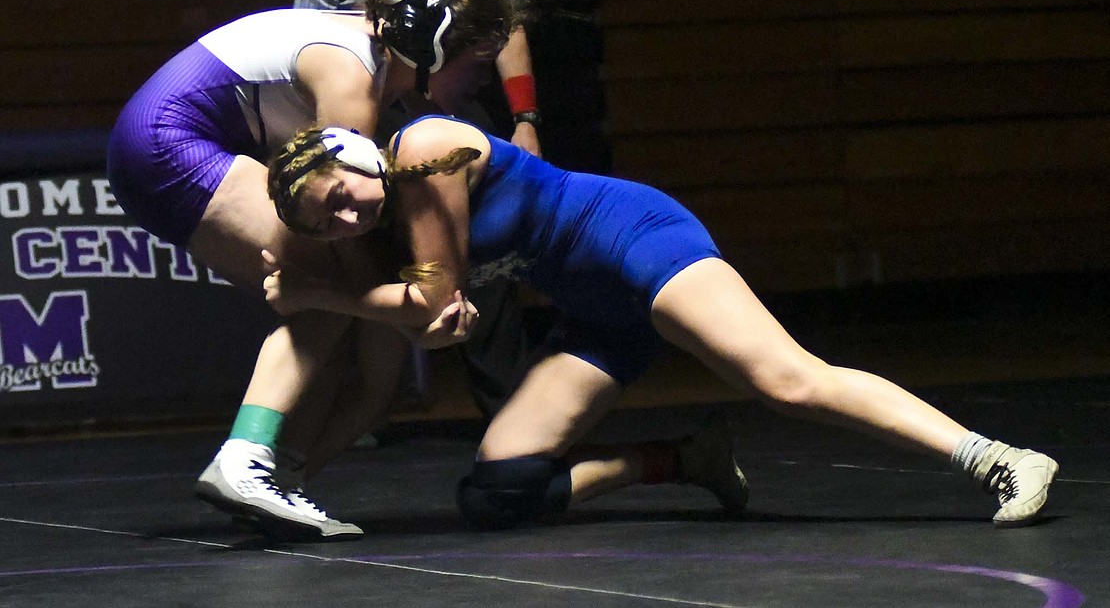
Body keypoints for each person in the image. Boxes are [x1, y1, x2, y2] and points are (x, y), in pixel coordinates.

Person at [261, 116, 1060, 529]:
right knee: (498, 489)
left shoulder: (421, 148)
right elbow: (442, 329)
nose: (343, 219)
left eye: (335, 195)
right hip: (594, 307)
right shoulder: (389, 235)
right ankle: (685, 459)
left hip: (635, 240)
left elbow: (431, 314)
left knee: (784, 378)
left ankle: (997, 458)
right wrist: (387, 302)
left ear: (355, 154)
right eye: (324, 224)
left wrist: (314, 294)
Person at [106, 0, 515, 540]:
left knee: (358, 326)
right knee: (324, 298)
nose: (482, 81)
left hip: (170, 142)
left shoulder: (372, 63)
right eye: (477, 64)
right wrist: (419, 312)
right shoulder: (352, 80)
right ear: (438, 50)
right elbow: (348, 229)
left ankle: (284, 479)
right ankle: (246, 459)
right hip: (169, 142)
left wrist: (404, 319)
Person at [296, 0, 546, 423]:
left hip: (465, 126)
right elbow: (308, 46)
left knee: (485, 261)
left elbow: (506, 24)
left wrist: (527, 118)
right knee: (375, 260)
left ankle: (509, 417)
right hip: (376, 137)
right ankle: (370, 408)